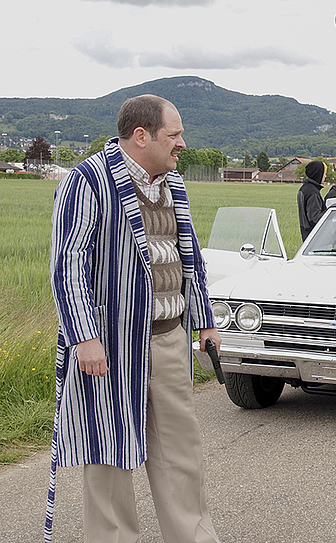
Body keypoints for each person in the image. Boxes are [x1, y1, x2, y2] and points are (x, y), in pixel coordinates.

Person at [47, 95, 220, 542]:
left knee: (182, 454)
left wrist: (204, 321)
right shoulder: (88, 180)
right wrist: (83, 337)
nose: (182, 143)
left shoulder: (173, 183)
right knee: (106, 459)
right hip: (108, 347)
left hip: (166, 339)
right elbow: (67, 264)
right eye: (175, 134)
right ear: (141, 136)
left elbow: (189, 257)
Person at [298, 159, 327, 241]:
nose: (325, 176)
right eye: (324, 173)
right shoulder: (313, 193)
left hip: (306, 234)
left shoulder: (304, 188)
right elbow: (315, 218)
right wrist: (329, 212)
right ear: (318, 174)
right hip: (314, 238)